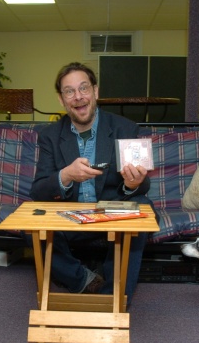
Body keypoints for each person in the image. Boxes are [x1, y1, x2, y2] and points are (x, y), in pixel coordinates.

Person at [29, 62, 154, 304]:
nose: (78, 97)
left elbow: (142, 186)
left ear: (95, 92)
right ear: (61, 99)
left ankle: (112, 299)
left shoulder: (124, 128)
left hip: (111, 214)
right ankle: (83, 280)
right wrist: (65, 175)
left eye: (83, 88)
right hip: (68, 216)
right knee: (28, 222)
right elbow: (38, 190)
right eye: (69, 91)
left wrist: (132, 184)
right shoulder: (49, 136)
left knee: (143, 208)